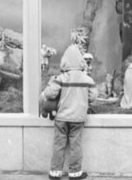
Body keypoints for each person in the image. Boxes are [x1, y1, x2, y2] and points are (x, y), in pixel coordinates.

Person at [39, 44, 98, 180]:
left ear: (65, 61)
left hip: (61, 118)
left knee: (59, 145)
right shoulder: (86, 79)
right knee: (75, 145)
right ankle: (75, 173)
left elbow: (50, 93)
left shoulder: (61, 78)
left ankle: (55, 172)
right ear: (81, 61)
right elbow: (93, 97)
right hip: (78, 118)